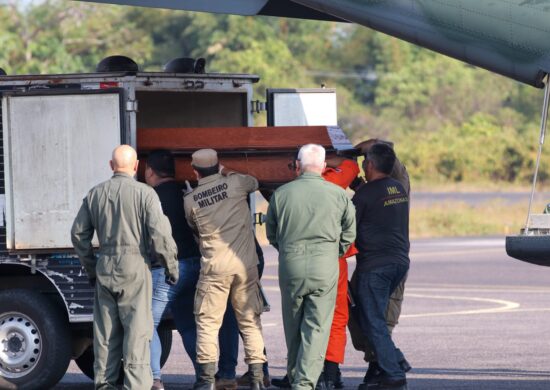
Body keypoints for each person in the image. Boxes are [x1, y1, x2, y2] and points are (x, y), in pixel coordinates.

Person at [71, 145, 179, 390]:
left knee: (106, 336)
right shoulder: (146, 194)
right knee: (137, 335)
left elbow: (78, 235)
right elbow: (160, 235)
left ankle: (105, 385)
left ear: (111, 166)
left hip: (105, 268)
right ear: (136, 166)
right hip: (135, 268)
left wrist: (92, 268)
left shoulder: (95, 194)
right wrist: (171, 267)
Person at [266, 144, 356, 390]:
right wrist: (331, 253)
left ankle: (295, 376)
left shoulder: (281, 194)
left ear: (297, 165)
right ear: (324, 167)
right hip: (325, 267)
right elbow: (349, 233)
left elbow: (272, 233)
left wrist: (288, 252)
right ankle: (304, 383)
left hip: (291, 266)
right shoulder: (338, 195)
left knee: (293, 325)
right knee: (317, 327)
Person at [184, 148, 267, 390]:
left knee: (208, 324)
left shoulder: (190, 200)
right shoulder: (237, 184)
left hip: (215, 268)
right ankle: (258, 379)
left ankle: (206, 382)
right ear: (218, 165)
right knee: (250, 322)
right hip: (245, 266)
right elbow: (255, 182)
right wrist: (228, 171)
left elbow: (194, 229)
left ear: (194, 171)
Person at [347, 140, 411, 385]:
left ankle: (394, 370)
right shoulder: (398, 188)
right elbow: (374, 195)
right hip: (399, 264)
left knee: (371, 321)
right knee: (372, 318)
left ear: (370, 164)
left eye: (364, 163)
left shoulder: (365, 194)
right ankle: (392, 360)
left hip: (374, 266)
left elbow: (348, 227)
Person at [144, 150, 203, 390]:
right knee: (188, 324)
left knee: (147, 323)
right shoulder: (185, 191)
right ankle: (205, 376)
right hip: (194, 264)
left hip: (169, 269)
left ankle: (154, 378)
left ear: (149, 171)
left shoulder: (151, 197)